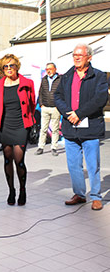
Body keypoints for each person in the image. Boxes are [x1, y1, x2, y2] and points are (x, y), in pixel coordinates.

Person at [54, 43, 108, 211]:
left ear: (89, 58)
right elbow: (57, 96)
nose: (76, 57)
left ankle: (96, 197)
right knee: (73, 165)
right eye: (74, 55)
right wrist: (68, 113)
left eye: (80, 55)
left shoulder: (98, 76)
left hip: (90, 127)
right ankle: (79, 194)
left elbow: (100, 99)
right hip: (71, 127)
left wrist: (80, 113)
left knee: (93, 165)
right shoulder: (67, 76)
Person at [0, 54, 35, 206]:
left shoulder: (27, 83)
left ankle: (23, 190)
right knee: (7, 159)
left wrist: (30, 121)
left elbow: (32, 103)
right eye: (5, 66)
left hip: (21, 125)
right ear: (2, 69)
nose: (9, 69)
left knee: (19, 161)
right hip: (5, 125)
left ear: (17, 66)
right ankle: (11, 190)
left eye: (12, 65)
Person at [36, 63, 62, 156]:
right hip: (45, 108)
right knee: (43, 128)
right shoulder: (44, 79)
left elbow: (63, 93)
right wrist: (41, 104)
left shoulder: (60, 79)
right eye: (47, 69)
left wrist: (59, 105)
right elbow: (41, 92)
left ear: (55, 69)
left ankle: (54, 147)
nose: (49, 71)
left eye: (50, 69)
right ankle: (40, 147)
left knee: (55, 129)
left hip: (55, 108)